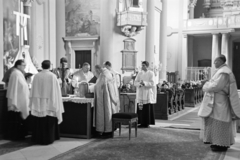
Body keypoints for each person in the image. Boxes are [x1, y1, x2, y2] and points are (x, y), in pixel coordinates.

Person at [198, 55, 240, 152]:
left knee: (220, 122)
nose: (214, 63)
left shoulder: (224, 72)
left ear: (221, 61)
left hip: (220, 102)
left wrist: (205, 85)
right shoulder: (222, 70)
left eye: (216, 61)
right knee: (215, 121)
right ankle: (217, 143)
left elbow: (216, 86)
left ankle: (221, 144)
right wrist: (209, 84)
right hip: (216, 101)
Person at [30, 60, 64, 145]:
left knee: (39, 121)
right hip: (50, 102)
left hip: (39, 103)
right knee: (49, 120)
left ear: (42, 66)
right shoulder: (52, 76)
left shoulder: (36, 76)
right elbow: (57, 90)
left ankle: (38, 138)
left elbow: (33, 89)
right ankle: (49, 138)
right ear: (50, 66)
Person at [6, 59, 30, 140]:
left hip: (18, 98)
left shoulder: (18, 73)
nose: (24, 67)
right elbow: (21, 86)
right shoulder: (16, 73)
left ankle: (20, 135)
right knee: (17, 118)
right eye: (24, 65)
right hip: (17, 100)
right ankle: (17, 136)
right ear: (18, 65)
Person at [93, 65, 120, 136]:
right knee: (109, 112)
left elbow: (99, 85)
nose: (96, 74)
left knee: (105, 113)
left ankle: (106, 130)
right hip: (108, 96)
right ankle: (108, 129)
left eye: (95, 72)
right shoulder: (107, 72)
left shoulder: (103, 75)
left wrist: (93, 87)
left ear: (98, 70)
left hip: (105, 97)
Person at [134, 61, 156, 128]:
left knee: (147, 109)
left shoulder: (151, 73)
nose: (142, 66)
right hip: (141, 93)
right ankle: (140, 122)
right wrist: (139, 84)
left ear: (147, 66)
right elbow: (135, 82)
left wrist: (145, 83)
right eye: (142, 65)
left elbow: (152, 83)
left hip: (147, 93)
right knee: (140, 108)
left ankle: (147, 122)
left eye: (143, 65)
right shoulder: (139, 73)